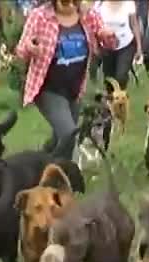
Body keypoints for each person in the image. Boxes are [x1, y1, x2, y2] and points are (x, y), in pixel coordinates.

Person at [15, 0, 116, 159]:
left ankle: (39, 162)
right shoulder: (40, 16)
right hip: (48, 89)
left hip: (75, 90)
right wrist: (30, 48)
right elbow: (21, 50)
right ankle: (67, 176)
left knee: (60, 139)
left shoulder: (88, 15)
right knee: (69, 134)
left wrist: (107, 36)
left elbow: (108, 43)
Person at [96, 0, 142, 89]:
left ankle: (121, 97)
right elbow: (95, 25)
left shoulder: (129, 3)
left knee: (121, 75)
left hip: (126, 44)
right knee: (109, 78)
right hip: (107, 47)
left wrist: (139, 47)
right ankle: (110, 99)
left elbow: (134, 24)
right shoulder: (99, 4)